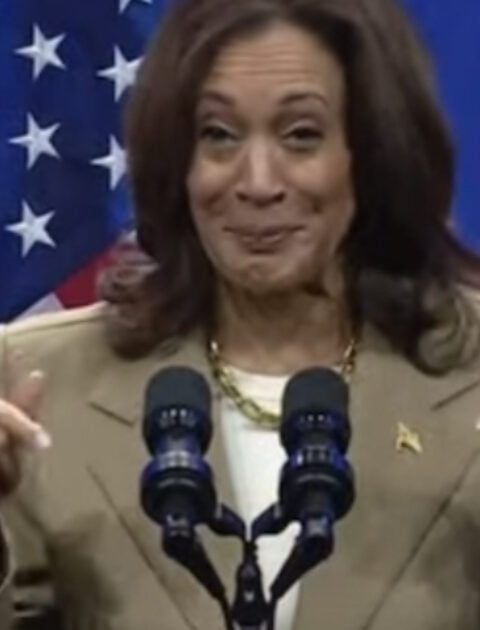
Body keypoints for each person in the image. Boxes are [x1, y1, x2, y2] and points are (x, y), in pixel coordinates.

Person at [1, 0, 480, 628]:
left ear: (373, 151)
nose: (256, 183)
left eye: (301, 135)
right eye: (219, 135)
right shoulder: (29, 383)